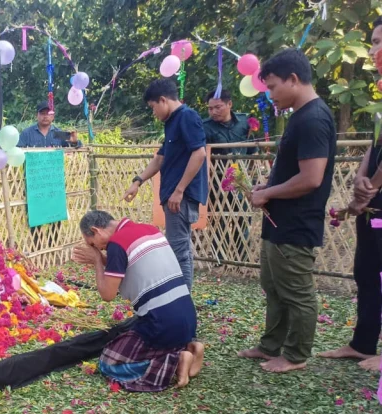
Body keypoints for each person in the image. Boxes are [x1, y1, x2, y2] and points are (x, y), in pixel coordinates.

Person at [238, 48, 337, 373]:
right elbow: (293, 170)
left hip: (296, 223)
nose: (270, 95)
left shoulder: (313, 119)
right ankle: (270, 345)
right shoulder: (300, 116)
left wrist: (269, 193)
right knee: (274, 287)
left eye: (273, 87)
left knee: (297, 292)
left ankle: (296, 355)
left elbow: (311, 178)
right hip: (279, 221)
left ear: (293, 79)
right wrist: (267, 187)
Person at [72, 210, 204, 391]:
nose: (98, 249)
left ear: (96, 230)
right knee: (141, 339)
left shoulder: (117, 243)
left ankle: (175, 362)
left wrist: (96, 261)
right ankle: (191, 346)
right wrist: (102, 259)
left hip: (162, 324)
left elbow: (107, 294)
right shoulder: (150, 230)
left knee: (108, 363)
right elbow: (128, 265)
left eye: (93, 244)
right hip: (187, 320)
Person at [318, 17, 382, 372]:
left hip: (377, 197)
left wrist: (372, 186)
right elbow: (376, 145)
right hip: (374, 203)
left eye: (379, 42)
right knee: (367, 270)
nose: (372, 50)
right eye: (372, 42)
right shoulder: (380, 93)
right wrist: (360, 178)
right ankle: (362, 344)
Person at [123, 78, 208, 292]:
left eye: (153, 107)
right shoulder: (172, 122)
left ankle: (182, 298)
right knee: (180, 248)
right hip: (173, 195)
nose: (153, 113)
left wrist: (179, 191)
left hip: (181, 197)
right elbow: (160, 158)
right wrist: (138, 181)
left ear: (163, 100)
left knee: (179, 251)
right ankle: (181, 296)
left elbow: (199, 154)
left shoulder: (187, 117)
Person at [203, 89, 256, 263]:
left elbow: (253, 152)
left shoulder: (245, 123)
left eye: (218, 107)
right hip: (216, 179)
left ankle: (241, 258)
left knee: (243, 216)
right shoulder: (205, 127)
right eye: (210, 108)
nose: (213, 112)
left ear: (229, 104)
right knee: (219, 218)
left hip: (241, 177)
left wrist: (253, 176)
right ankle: (220, 259)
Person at [17, 102, 81, 147]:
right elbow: (18, 150)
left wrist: (74, 142)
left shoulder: (59, 133)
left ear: (53, 116)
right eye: (42, 113)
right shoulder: (27, 133)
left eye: (48, 113)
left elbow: (77, 146)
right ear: (37, 115)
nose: (45, 116)